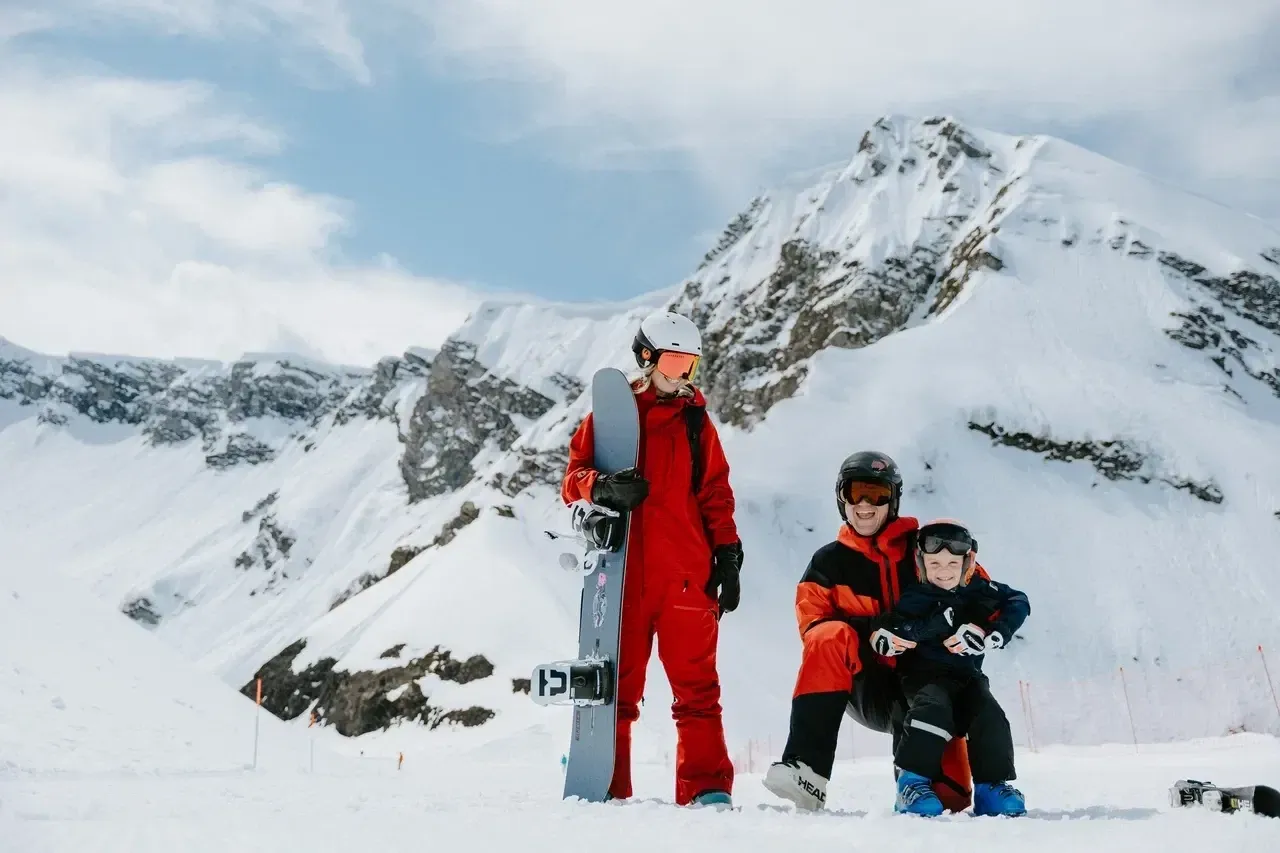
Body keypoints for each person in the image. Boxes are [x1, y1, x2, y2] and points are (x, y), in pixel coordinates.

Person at [561, 310, 744, 808]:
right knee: (617, 690)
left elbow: (715, 494)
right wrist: (599, 485)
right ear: (646, 358)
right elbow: (571, 479)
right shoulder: (609, 418)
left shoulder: (696, 423)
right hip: (624, 578)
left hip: (687, 576)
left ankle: (707, 788)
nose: (682, 372)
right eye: (673, 360)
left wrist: (727, 555)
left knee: (698, 690)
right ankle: (609, 784)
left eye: (690, 363)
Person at [762, 451, 988, 812]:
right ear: (842, 498)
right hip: (867, 685)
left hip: (929, 684)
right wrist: (876, 631)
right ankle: (807, 770)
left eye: (877, 494)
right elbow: (812, 627)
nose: (865, 505)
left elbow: (980, 593)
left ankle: (918, 777)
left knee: (950, 802)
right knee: (828, 636)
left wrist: (970, 629)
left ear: (893, 499)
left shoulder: (927, 547)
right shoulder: (829, 563)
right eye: (855, 493)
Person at [869, 518, 1029, 816]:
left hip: (968, 676)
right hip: (924, 676)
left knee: (990, 716)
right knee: (933, 709)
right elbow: (895, 625)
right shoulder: (917, 596)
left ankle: (991, 787)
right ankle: (911, 783)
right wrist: (901, 633)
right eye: (935, 564)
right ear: (921, 562)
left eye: (952, 564)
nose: (943, 572)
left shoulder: (980, 589)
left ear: (967, 563)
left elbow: (1018, 601)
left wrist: (992, 632)